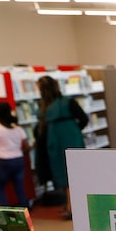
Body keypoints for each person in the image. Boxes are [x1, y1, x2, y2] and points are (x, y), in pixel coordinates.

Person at [37, 75, 88, 219]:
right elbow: (83, 119)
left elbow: (83, 119)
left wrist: (73, 132)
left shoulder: (51, 106)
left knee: (68, 175)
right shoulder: (63, 103)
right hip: (63, 141)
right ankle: (69, 205)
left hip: (62, 141)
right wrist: (74, 131)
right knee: (66, 175)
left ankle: (72, 207)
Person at [0, 101, 29, 208]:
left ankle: (6, 210)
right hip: (18, 159)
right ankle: (25, 208)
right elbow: (26, 146)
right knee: (19, 186)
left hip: (5, 161)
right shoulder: (18, 129)